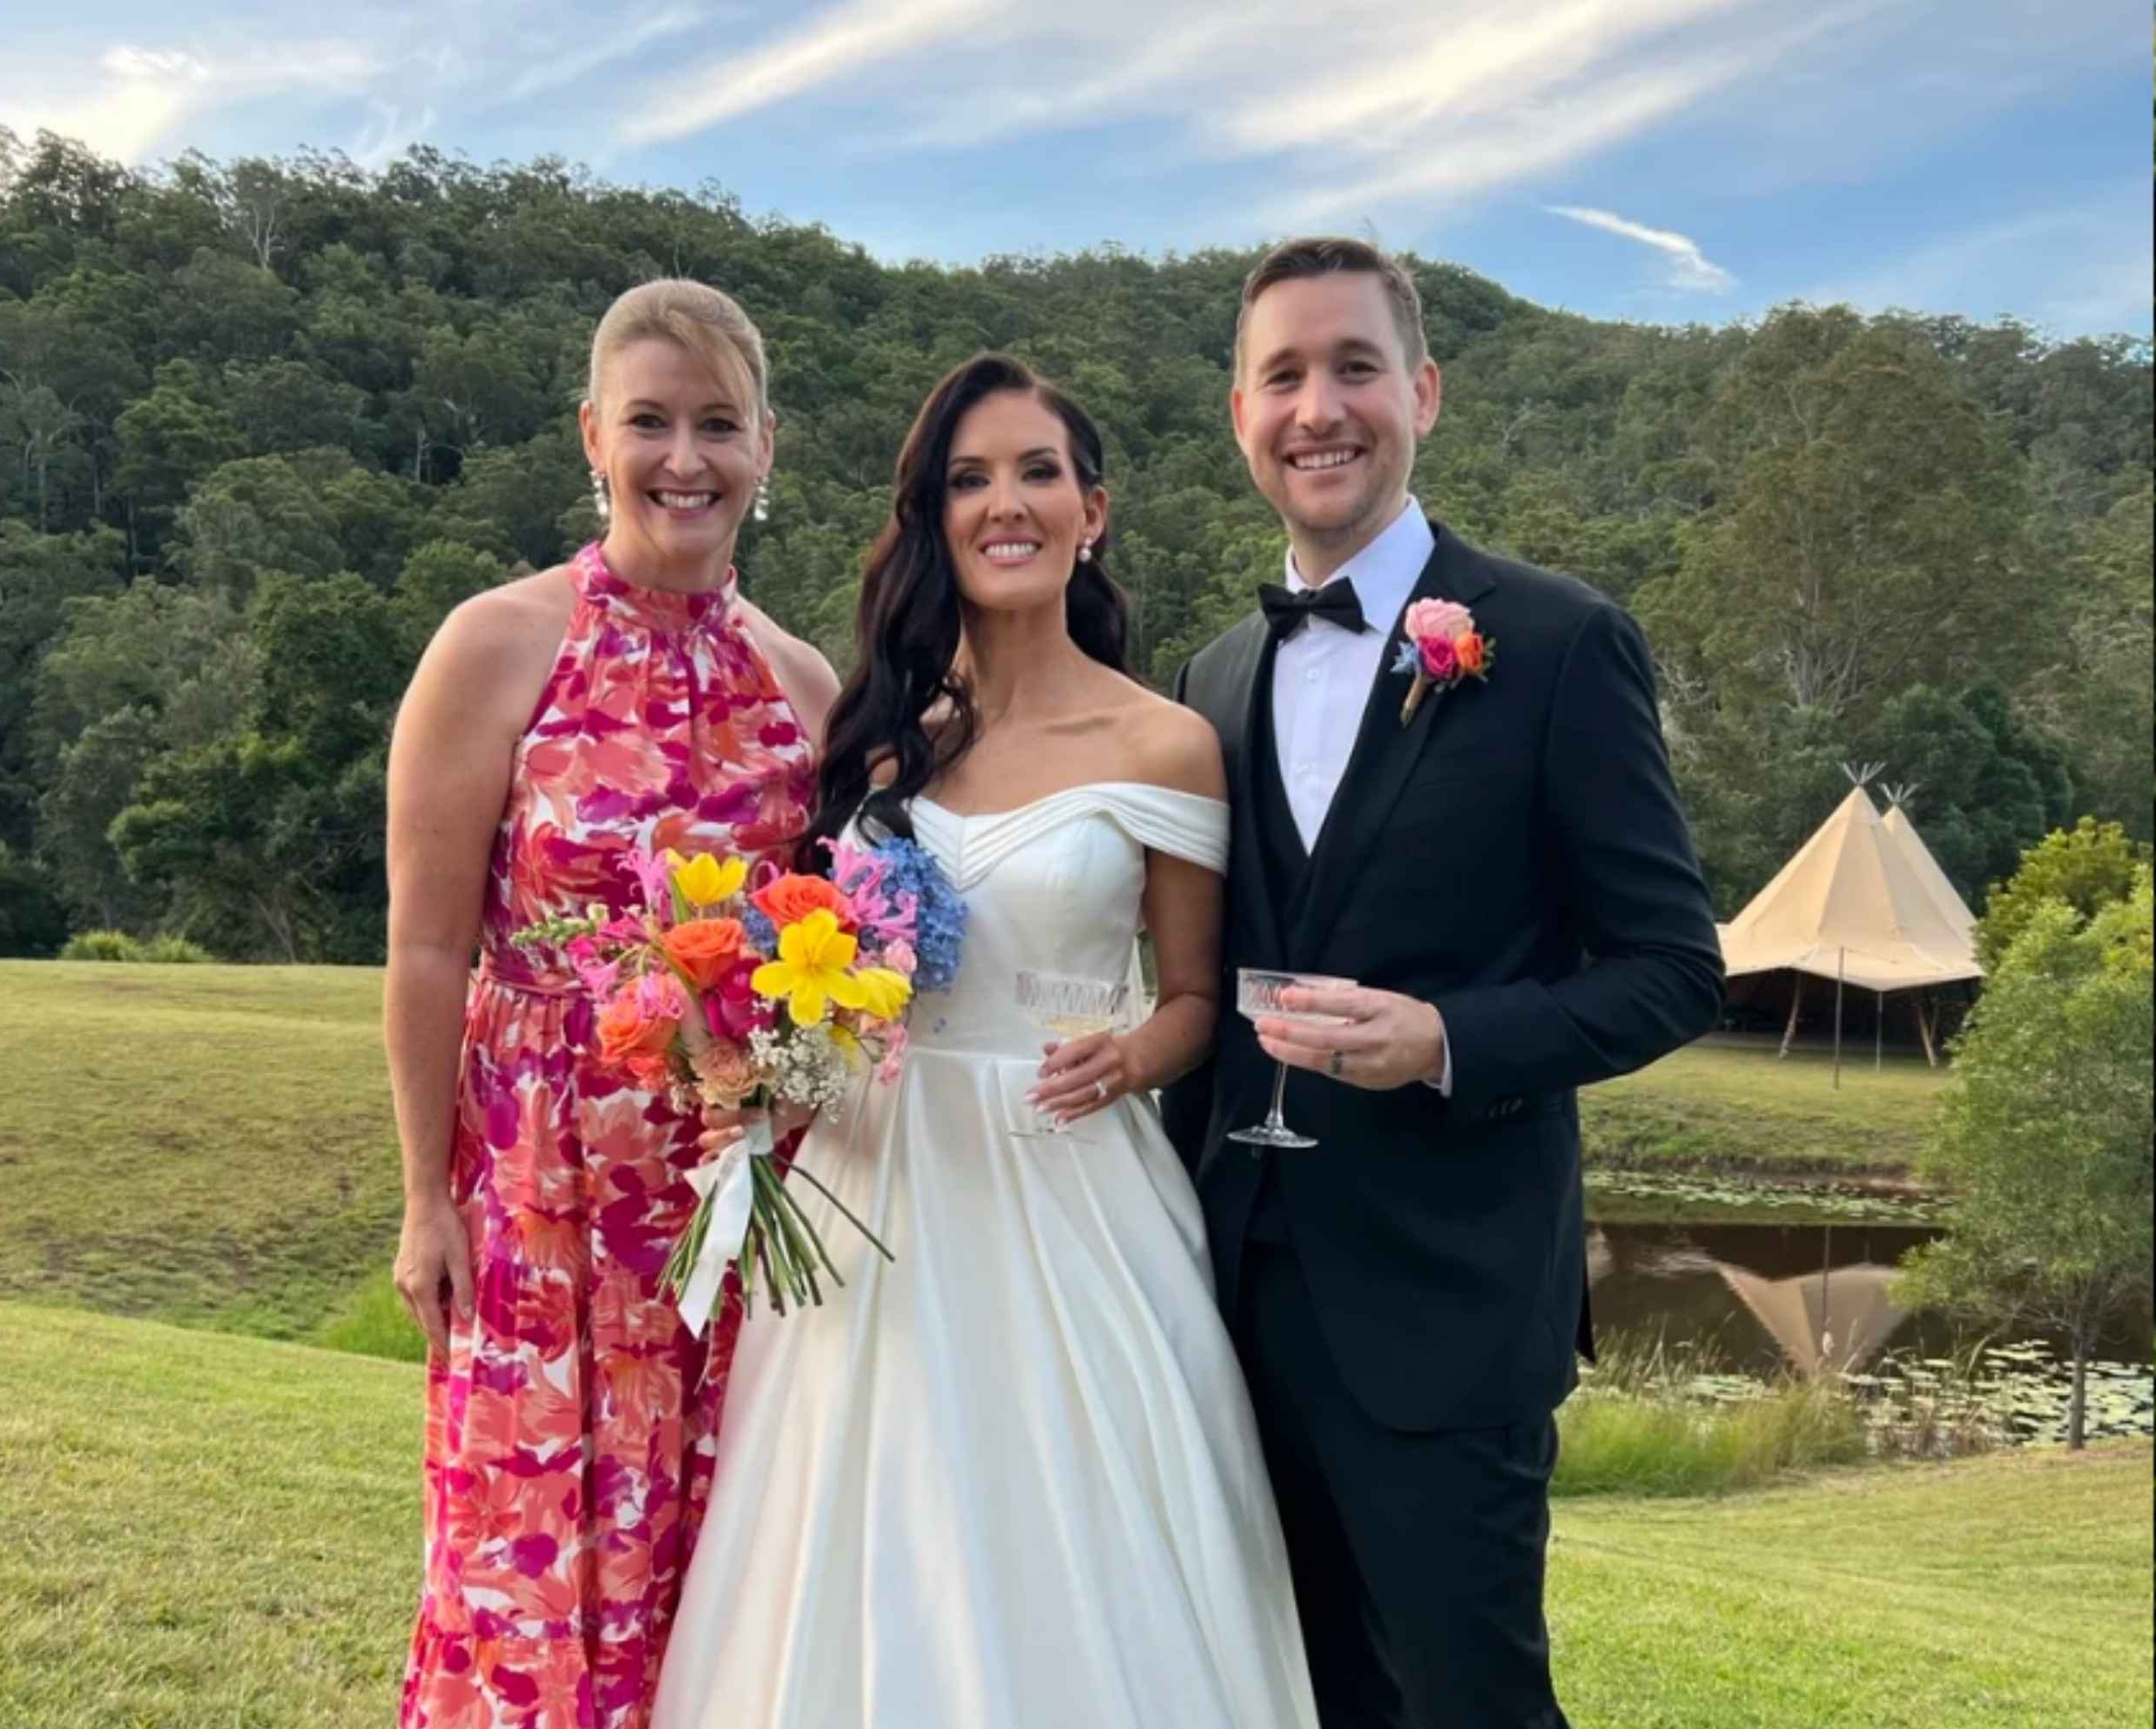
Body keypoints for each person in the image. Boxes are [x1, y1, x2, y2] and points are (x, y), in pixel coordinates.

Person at [650, 354, 1319, 1729]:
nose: (1002, 504)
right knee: (864, 1537)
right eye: (968, 479)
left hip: (1064, 1179)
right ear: (934, 516)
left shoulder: (1167, 742)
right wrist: (766, 1078)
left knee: (1064, 1533)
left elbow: (1197, 996)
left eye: (1034, 473)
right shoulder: (887, 738)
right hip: (868, 1186)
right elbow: (825, 973)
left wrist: (1133, 1053)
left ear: (1094, 511)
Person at [1164, 237, 1725, 1729]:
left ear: (1423, 391)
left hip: (1449, 1310)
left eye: (1355, 367)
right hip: (1236, 1302)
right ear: (1238, 412)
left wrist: (1444, 1042)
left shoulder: (1558, 643)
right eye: (1283, 375)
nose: (1319, 408)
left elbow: (1674, 972)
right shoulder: (1212, 678)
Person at [386, 278, 839, 1729]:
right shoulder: (496, 644)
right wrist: (421, 1199)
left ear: (769, 446)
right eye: (652, 422)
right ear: (595, 435)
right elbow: (424, 952)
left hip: (729, 1203)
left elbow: (822, 962)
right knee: (529, 1560)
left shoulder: (806, 686)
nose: (685, 459)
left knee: (718, 1562)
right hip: (536, 1195)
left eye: (720, 424)